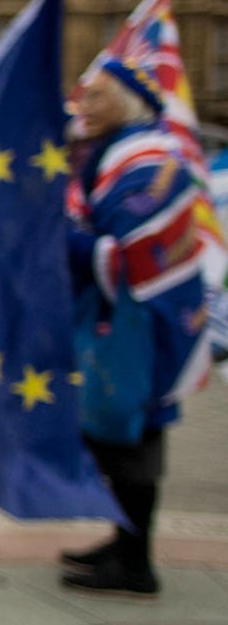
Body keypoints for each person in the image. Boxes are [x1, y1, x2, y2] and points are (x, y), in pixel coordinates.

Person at [57, 59, 209, 597]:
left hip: (142, 329)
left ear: (126, 102)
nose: (84, 107)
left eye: (96, 97)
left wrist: (64, 239)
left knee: (134, 440)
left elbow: (127, 257)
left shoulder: (145, 162)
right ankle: (123, 542)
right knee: (119, 440)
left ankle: (137, 562)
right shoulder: (121, 153)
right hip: (127, 324)